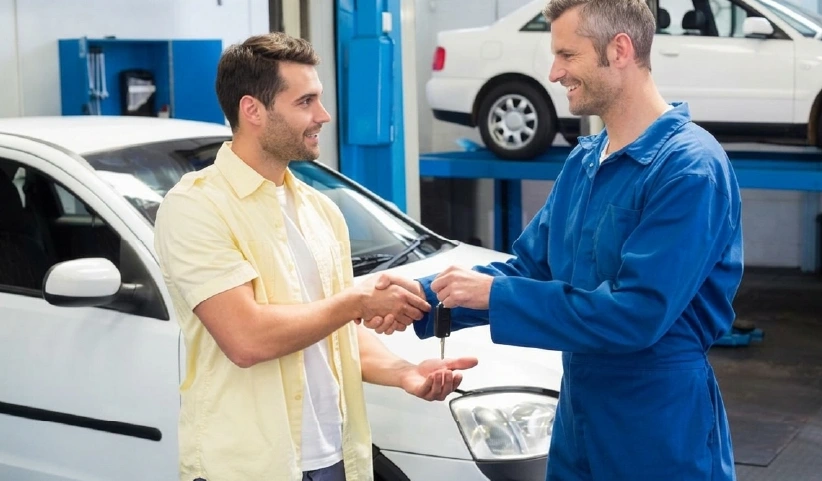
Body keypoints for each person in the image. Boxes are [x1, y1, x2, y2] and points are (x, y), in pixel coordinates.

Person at [374, 0, 744, 479]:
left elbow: (637, 315)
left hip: (658, 420)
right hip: (580, 414)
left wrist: (495, 295)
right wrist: (421, 300)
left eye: (567, 55)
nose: (554, 72)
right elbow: (529, 268)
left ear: (620, 50)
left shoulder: (689, 168)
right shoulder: (586, 162)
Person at [153, 32, 477, 481]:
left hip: (335, 459)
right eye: (305, 102)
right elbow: (246, 339)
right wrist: (357, 301)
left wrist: (405, 372)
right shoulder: (197, 207)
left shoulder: (320, 210)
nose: (322, 116)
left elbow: (336, 332)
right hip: (250, 468)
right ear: (253, 111)